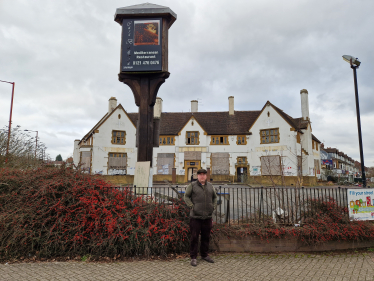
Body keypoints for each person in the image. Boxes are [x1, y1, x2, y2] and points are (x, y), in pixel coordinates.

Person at [184, 169, 217, 266]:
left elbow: (215, 197)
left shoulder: (210, 186)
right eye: (200, 175)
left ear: (206, 176)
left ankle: (204, 255)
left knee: (206, 237)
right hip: (195, 217)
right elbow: (186, 196)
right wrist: (191, 206)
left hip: (207, 216)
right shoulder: (192, 186)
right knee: (194, 237)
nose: (202, 176)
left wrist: (213, 206)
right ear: (197, 176)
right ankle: (193, 257)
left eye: (203, 175)